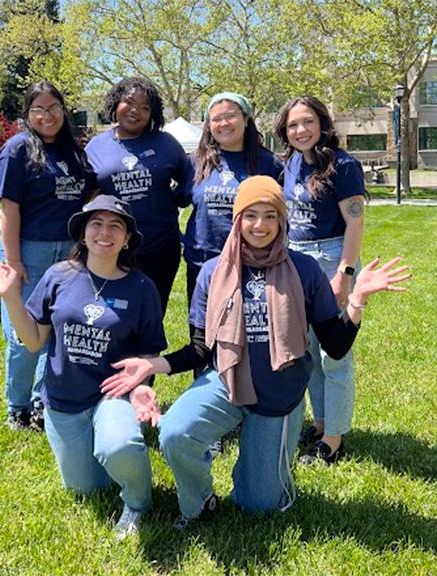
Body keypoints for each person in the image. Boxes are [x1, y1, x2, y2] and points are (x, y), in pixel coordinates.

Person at [100, 176, 410, 527]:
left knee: (259, 505)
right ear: (237, 220)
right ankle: (201, 502)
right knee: (174, 432)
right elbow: (202, 349)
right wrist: (153, 365)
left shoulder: (304, 269)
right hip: (227, 379)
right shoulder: (213, 272)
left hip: (279, 390)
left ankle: (262, 466)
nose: (259, 225)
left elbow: (335, 346)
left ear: (282, 221)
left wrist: (357, 300)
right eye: (250, 215)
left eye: (270, 216)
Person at [0, 195, 166, 539]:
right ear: (83, 233)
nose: (104, 232)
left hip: (112, 394)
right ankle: (105, 455)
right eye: (96, 223)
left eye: (115, 226)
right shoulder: (58, 277)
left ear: (126, 239)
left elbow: (149, 354)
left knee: (119, 448)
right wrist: (10, 296)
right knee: (85, 489)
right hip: (64, 401)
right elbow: (34, 341)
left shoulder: (141, 288)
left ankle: (139, 501)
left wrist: (141, 386)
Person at [0, 80, 96, 431]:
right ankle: (17, 404)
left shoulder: (73, 151)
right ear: (27, 114)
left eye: (53, 108)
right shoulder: (17, 150)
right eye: (38, 109)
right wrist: (14, 261)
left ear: (63, 111)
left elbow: (90, 189)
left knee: (54, 328)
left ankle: (42, 401)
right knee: (24, 334)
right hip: (27, 249)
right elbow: (10, 209)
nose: (47, 115)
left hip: (67, 252)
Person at [273, 95, 366, 464]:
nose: (301, 130)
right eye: (293, 125)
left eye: (307, 122)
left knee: (335, 353)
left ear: (322, 123)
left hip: (332, 258)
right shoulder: (290, 164)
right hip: (297, 260)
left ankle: (334, 437)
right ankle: (321, 421)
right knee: (307, 349)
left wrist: (344, 274)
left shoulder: (343, 166)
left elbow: (355, 222)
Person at [85, 77, 193, 316]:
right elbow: (86, 191)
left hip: (160, 245)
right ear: (115, 103)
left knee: (153, 312)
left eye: (146, 108)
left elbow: (188, 178)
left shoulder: (166, 143)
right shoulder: (95, 146)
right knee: (112, 312)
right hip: (113, 246)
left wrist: (175, 199)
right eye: (129, 102)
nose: (136, 111)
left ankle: (147, 354)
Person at [184, 92, 283, 305]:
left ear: (246, 120)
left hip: (251, 262)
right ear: (209, 125)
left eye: (231, 116)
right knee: (202, 331)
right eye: (216, 119)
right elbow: (176, 200)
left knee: (246, 331)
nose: (224, 123)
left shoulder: (268, 164)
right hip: (201, 262)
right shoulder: (195, 162)